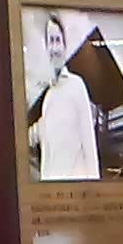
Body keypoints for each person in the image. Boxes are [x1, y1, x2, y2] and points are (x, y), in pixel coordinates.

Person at [30, 13, 100, 183]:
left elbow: (89, 143)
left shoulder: (76, 85)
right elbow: (38, 140)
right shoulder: (48, 97)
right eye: (50, 41)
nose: (54, 48)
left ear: (64, 46)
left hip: (77, 190)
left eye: (58, 40)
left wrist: (95, 188)